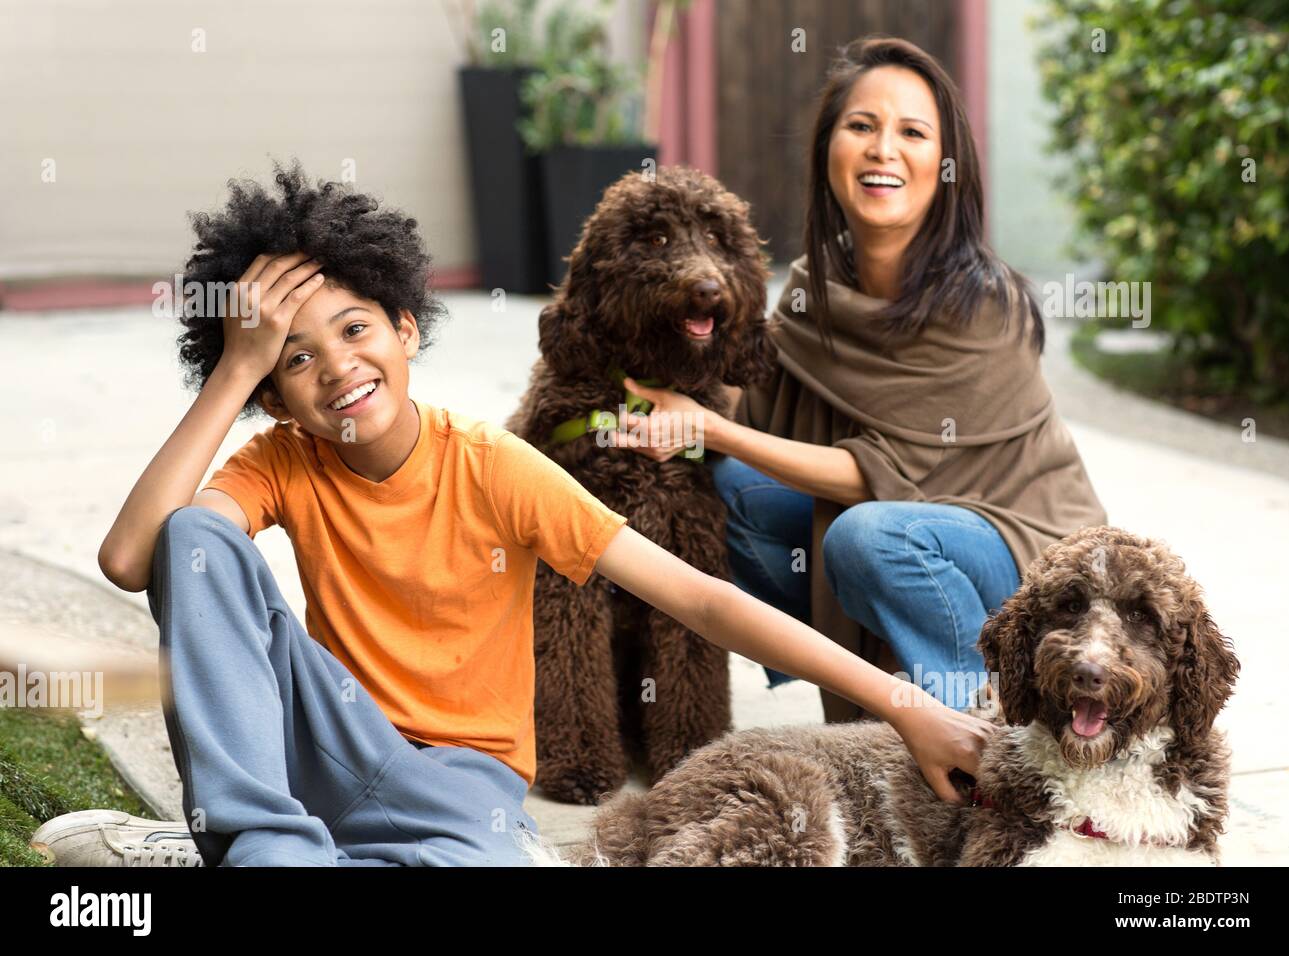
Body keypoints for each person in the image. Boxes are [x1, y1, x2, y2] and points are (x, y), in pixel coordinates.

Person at [30, 157, 992, 869]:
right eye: (294, 357)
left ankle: (238, 850)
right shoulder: (279, 458)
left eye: (355, 330)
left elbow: (702, 602)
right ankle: (260, 842)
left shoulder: (493, 464)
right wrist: (236, 367)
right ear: (275, 395)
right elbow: (132, 556)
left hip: (459, 799)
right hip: (323, 748)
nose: (337, 369)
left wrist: (908, 709)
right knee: (195, 535)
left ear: (406, 326)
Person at [607, 37, 1108, 717]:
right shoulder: (820, 289)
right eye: (862, 126)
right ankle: (883, 681)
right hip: (908, 536)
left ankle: (969, 727)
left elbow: (890, 474)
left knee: (868, 535)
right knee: (721, 491)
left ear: (946, 163)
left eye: (912, 132)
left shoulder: (985, 307)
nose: (883, 150)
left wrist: (711, 426)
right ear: (828, 151)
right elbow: (758, 407)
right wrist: (645, 378)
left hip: (1029, 561)